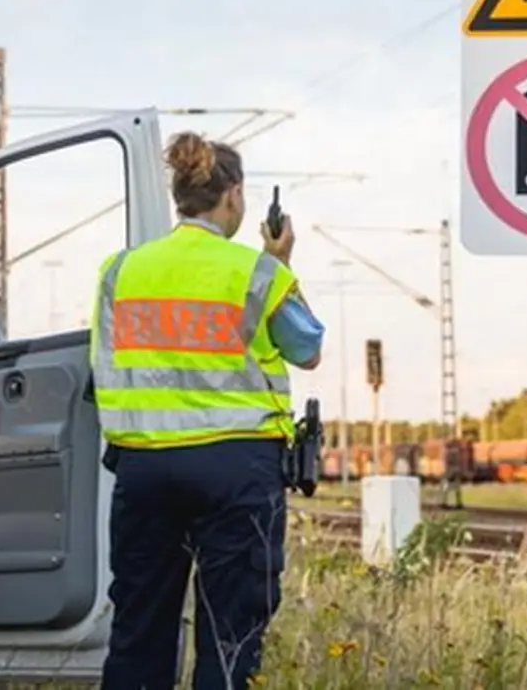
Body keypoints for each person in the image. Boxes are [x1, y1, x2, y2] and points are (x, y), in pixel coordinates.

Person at [91, 131, 325, 690]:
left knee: (139, 631)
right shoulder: (256, 272)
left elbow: (104, 361)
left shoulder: (119, 271)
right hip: (235, 469)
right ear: (236, 196)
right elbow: (308, 349)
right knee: (231, 635)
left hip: (144, 469)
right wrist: (282, 261)